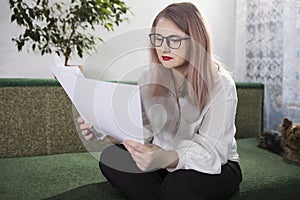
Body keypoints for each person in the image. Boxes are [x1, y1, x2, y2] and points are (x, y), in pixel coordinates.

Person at [77, 2, 242, 200]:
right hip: (162, 159)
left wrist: (166, 159)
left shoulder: (221, 84)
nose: (163, 47)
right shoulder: (150, 78)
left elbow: (212, 152)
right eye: (158, 38)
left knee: (180, 184)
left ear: (196, 41)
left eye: (174, 40)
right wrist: (101, 128)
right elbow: (142, 130)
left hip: (214, 164)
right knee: (112, 158)